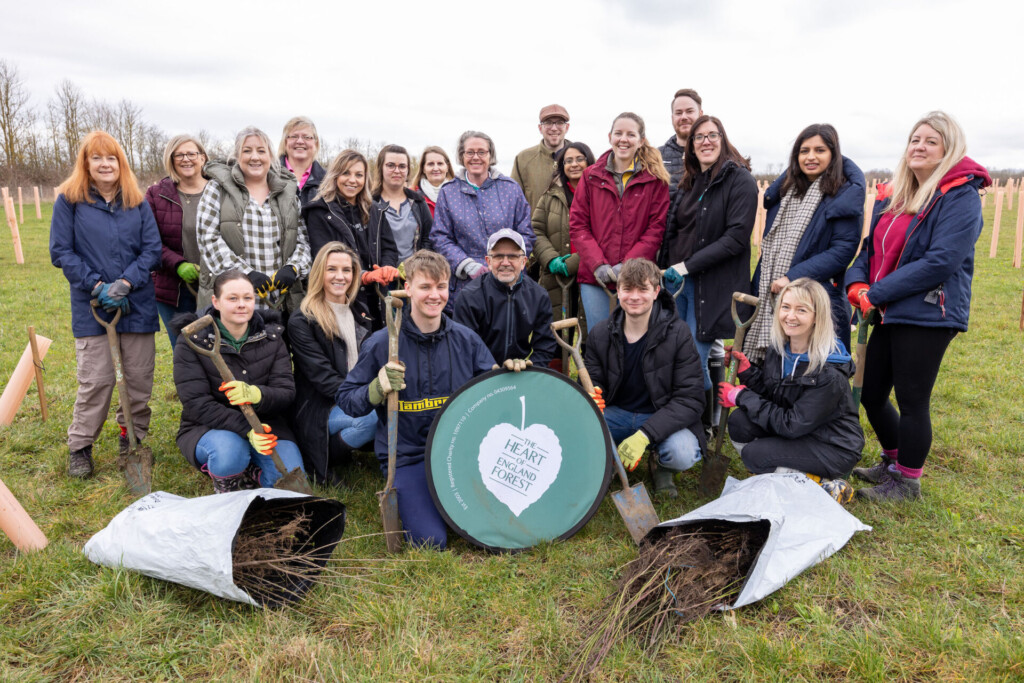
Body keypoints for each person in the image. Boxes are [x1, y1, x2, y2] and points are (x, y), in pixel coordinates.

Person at [846, 111, 990, 502]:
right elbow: (868, 249)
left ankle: (907, 482)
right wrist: (858, 283)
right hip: (889, 308)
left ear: (949, 149)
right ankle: (893, 462)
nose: (920, 147)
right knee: (871, 391)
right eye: (915, 140)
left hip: (929, 310)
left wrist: (878, 293)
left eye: (931, 141)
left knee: (912, 399)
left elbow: (941, 261)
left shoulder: (961, 196)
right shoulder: (896, 195)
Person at [336, 250, 496, 548]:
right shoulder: (384, 342)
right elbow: (347, 399)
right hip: (407, 456)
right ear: (407, 288)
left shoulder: (465, 339)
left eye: (441, 287)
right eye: (425, 287)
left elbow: (494, 390)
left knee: (487, 525)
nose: (434, 296)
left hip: (460, 452)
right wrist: (376, 387)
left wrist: (513, 376)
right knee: (431, 541)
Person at [49, 130, 162, 479]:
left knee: (139, 379)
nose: (104, 164)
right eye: (96, 158)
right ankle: (80, 446)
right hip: (92, 307)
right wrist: (97, 285)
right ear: (86, 163)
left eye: (111, 157)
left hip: (137, 304)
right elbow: (61, 252)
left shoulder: (137, 201)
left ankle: (132, 438)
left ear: (120, 163)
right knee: (97, 380)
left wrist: (126, 283)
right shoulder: (69, 201)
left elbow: (152, 251)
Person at [720, 278, 864, 504]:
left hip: (833, 446)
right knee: (739, 421)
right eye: (785, 307)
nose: (790, 316)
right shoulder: (780, 349)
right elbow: (776, 393)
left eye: (801, 310)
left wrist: (742, 395)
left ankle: (822, 486)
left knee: (755, 455)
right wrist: (748, 373)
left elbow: (790, 425)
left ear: (817, 317)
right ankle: (782, 477)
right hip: (802, 430)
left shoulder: (829, 373)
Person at [172, 269, 304, 492]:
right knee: (229, 454)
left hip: (268, 423)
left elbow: (286, 391)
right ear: (215, 301)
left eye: (247, 298)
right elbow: (196, 404)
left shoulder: (271, 337)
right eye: (232, 298)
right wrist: (248, 430)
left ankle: (254, 472)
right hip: (210, 426)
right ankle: (230, 479)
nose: (241, 304)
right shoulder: (193, 341)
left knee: (291, 482)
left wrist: (257, 394)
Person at [584, 258, 705, 499]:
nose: (635, 296)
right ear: (617, 291)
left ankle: (661, 465)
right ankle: (607, 463)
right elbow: (593, 378)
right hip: (617, 413)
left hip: (660, 415)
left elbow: (690, 399)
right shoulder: (600, 333)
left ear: (656, 291)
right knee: (579, 430)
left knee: (682, 452)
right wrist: (591, 393)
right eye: (628, 289)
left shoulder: (678, 334)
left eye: (643, 289)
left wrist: (645, 434)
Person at [745, 124, 865, 362]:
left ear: (833, 154)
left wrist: (792, 276)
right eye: (804, 150)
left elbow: (842, 251)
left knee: (809, 373)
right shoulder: (786, 193)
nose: (810, 157)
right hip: (772, 293)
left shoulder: (843, 195)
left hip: (816, 298)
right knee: (768, 371)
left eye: (819, 150)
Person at [662, 115, 758, 405]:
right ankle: (695, 413)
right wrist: (664, 267)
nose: (705, 142)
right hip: (678, 283)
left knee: (691, 358)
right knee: (673, 353)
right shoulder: (690, 182)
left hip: (710, 285)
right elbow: (675, 230)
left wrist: (686, 266)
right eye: (698, 137)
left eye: (712, 135)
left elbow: (736, 238)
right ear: (690, 145)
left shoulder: (739, 179)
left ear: (723, 139)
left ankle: (701, 419)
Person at [569, 112, 670, 332]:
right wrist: (599, 265)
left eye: (630, 134)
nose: (623, 139)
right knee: (600, 336)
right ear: (610, 137)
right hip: (596, 278)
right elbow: (578, 226)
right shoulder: (590, 177)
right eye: (618, 133)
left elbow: (655, 229)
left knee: (635, 340)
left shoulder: (655, 180)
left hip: (638, 277)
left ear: (641, 140)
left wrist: (628, 265)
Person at [196, 126, 311, 313]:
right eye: (247, 151)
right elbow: (207, 239)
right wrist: (245, 275)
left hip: (280, 302)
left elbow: (303, 241)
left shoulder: (287, 193)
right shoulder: (217, 189)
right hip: (234, 302)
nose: (255, 157)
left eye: (261, 151)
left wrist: (293, 267)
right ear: (237, 156)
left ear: (271, 156)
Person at [289, 242, 377, 486]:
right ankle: (323, 459)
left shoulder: (359, 310)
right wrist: (368, 397)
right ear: (320, 273)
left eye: (347, 270)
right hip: (320, 406)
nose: (340, 276)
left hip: (356, 394)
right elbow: (324, 379)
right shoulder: (303, 320)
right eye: (332, 270)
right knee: (369, 420)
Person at [430, 130, 534, 307]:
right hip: (464, 285)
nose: (475, 157)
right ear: (461, 156)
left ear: (490, 155)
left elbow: (526, 233)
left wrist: (505, 262)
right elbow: (440, 237)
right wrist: (467, 264)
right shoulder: (449, 192)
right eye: (469, 152)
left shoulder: (510, 189)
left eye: (481, 152)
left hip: (507, 280)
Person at [303, 149, 399, 329]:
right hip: (342, 295)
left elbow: (389, 248)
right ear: (335, 175)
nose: (352, 180)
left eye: (359, 175)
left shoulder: (375, 210)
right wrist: (364, 276)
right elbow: (323, 258)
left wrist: (386, 268)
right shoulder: (320, 211)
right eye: (346, 173)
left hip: (377, 296)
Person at [454, 228, 558, 368]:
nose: (505, 262)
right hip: (479, 374)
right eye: (498, 256)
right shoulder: (469, 297)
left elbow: (545, 344)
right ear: (488, 261)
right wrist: (491, 371)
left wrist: (530, 369)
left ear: (523, 262)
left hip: (521, 373)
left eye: (513, 256)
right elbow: (463, 347)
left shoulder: (538, 296)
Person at [146, 134, 209, 345]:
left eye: (191, 153)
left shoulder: (219, 191)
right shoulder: (156, 194)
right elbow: (149, 240)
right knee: (184, 349)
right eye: (179, 155)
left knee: (217, 347)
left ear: (202, 157)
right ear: (171, 160)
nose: (186, 159)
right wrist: (178, 264)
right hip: (174, 288)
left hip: (216, 285)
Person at [532, 142, 595, 327]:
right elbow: (535, 230)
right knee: (556, 334)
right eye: (568, 161)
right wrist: (551, 260)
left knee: (590, 333)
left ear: (589, 161)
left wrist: (574, 262)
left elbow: (605, 234)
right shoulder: (550, 195)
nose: (573, 164)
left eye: (579, 159)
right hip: (556, 277)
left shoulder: (600, 194)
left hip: (590, 272)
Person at [371, 144, 433, 263]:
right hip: (381, 275)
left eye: (402, 166)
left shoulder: (418, 202)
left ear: (408, 169)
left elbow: (428, 238)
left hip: (413, 274)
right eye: (391, 165)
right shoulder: (370, 203)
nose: (397, 171)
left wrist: (419, 264)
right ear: (380, 168)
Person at [511, 104, 571, 210]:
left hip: (574, 227)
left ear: (567, 127)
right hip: (533, 227)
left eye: (560, 123)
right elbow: (513, 201)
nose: (554, 128)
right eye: (548, 122)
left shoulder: (582, 157)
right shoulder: (523, 159)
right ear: (540, 128)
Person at [659, 88, 703, 204]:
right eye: (678, 113)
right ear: (672, 118)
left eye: (689, 111)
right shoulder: (655, 158)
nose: (684, 117)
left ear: (700, 114)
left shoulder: (714, 155)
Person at [279, 116, 326, 207]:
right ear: (285, 142)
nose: (300, 141)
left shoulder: (328, 181)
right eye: (294, 136)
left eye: (307, 137)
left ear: (315, 143)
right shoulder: (269, 175)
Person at [410, 146, 455, 217]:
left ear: (447, 167)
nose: (436, 168)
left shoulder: (459, 195)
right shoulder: (411, 196)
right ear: (423, 169)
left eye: (440, 163)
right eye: (430, 164)